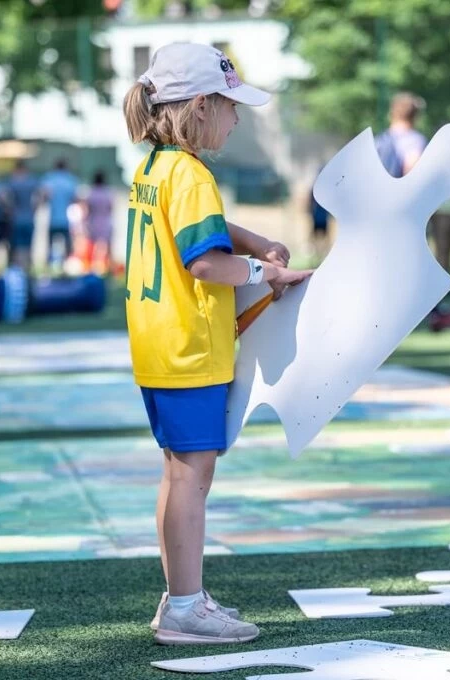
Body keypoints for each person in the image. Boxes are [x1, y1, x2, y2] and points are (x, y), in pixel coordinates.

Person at [123, 41, 311, 644]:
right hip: (190, 350)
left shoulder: (157, 167)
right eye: (231, 106)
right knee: (192, 478)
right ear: (200, 106)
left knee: (178, 472)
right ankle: (184, 607)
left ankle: (181, 596)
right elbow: (205, 263)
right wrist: (266, 272)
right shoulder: (192, 174)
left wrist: (252, 241)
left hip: (159, 346)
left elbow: (198, 228)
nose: (236, 118)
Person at [375, 91, 450, 331]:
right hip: (405, 212)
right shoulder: (415, 140)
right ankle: (433, 312)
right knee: (417, 260)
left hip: (381, 210)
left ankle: (388, 312)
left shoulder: (379, 140)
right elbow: (412, 170)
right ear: (416, 115)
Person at [40, 159, 80, 271]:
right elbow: (75, 199)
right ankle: (65, 268)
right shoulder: (70, 180)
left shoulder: (49, 179)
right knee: (67, 248)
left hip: (52, 220)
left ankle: (49, 268)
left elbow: (43, 197)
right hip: (65, 221)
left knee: (50, 246)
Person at [6, 160, 39, 272]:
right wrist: (35, 208)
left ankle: (19, 271)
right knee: (28, 247)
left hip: (16, 219)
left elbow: (1, 196)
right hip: (29, 218)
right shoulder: (31, 181)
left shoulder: (13, 182)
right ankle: (27, 272)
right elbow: (44, 192)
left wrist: (9, 210)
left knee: (18, 248)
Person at [86, 171, 115, 275]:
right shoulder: (108, 193)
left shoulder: (91, 193)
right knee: (107, 247)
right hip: (106, 222)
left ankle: (92, 269)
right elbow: (111, 208)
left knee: (93, 248)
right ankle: (109, 269)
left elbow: (89, 209)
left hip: (94, 221)